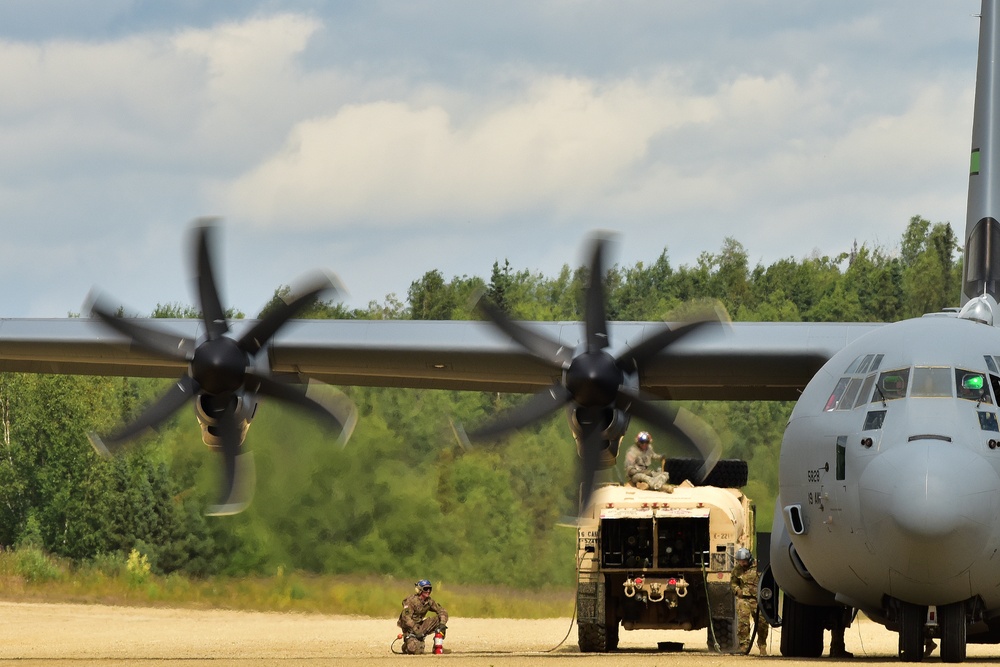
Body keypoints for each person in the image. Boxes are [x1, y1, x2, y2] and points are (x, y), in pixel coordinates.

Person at [731, 547, 768, 656]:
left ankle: (762, 645)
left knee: (762, 623)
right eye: (739, 561)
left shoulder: (759, 566)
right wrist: (737, 590)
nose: (741, 563)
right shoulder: (737, 570)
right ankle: (744, 646)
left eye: (743, 561)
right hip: (744, 599)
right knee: (743, 622)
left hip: (758, 599)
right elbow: (733, 583)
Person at [397, 579, 449, 655]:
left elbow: (442, 611)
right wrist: (416, 631)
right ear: (420, 590)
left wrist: (442, 624)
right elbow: (406, 618)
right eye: (425, 589)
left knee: (439, 620)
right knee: (416, 650)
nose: (428, 591)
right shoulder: (410, 601)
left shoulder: (429, 601)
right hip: (410, 630)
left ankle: (438, 647)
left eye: (429, 589)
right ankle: (406, 646)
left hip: (420, 626)